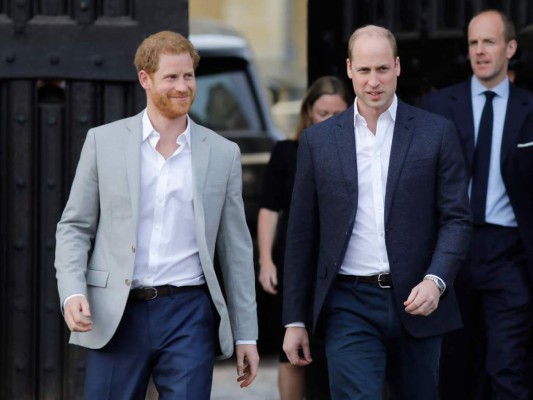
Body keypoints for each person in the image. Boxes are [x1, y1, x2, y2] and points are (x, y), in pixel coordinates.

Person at [54, 31, 259, 399]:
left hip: (189, 313)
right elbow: (74, 226)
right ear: (145, 79)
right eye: (172, 77)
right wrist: (71, 292)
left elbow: (236, 250)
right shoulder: (104, 142)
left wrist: (246, 334)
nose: (183, 87)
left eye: (189, 76)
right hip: (117, 312)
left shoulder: (223, 153)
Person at [282, 25, 472, 399]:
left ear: (398, 67)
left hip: (419, 301)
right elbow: (302, 232)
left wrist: (436, 281)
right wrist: (294, 319)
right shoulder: (318, 141)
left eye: (382, 69)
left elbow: (457, 219)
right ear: (350, 69)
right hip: (348, 303)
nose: (373, 81)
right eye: (365, 70)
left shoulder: (436, 132)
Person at [421, 10, 533, 400]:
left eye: (489, 42)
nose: (480, 51)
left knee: (508, 365)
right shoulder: (436, 107)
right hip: (451, 252)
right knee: (451, 365)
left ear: (511, 48)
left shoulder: (530, 108)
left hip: (509, 253)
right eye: (473, 43)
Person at [258, 75, 351, 400]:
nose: (329, 121)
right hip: (295, 259)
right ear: (308, 111)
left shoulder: (357, 154)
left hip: (338, 261)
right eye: (323, 113)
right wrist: (266, 260)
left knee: (336, 345)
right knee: (291, 347)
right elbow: (269, 208)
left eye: (338, 114)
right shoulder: (287, 152)